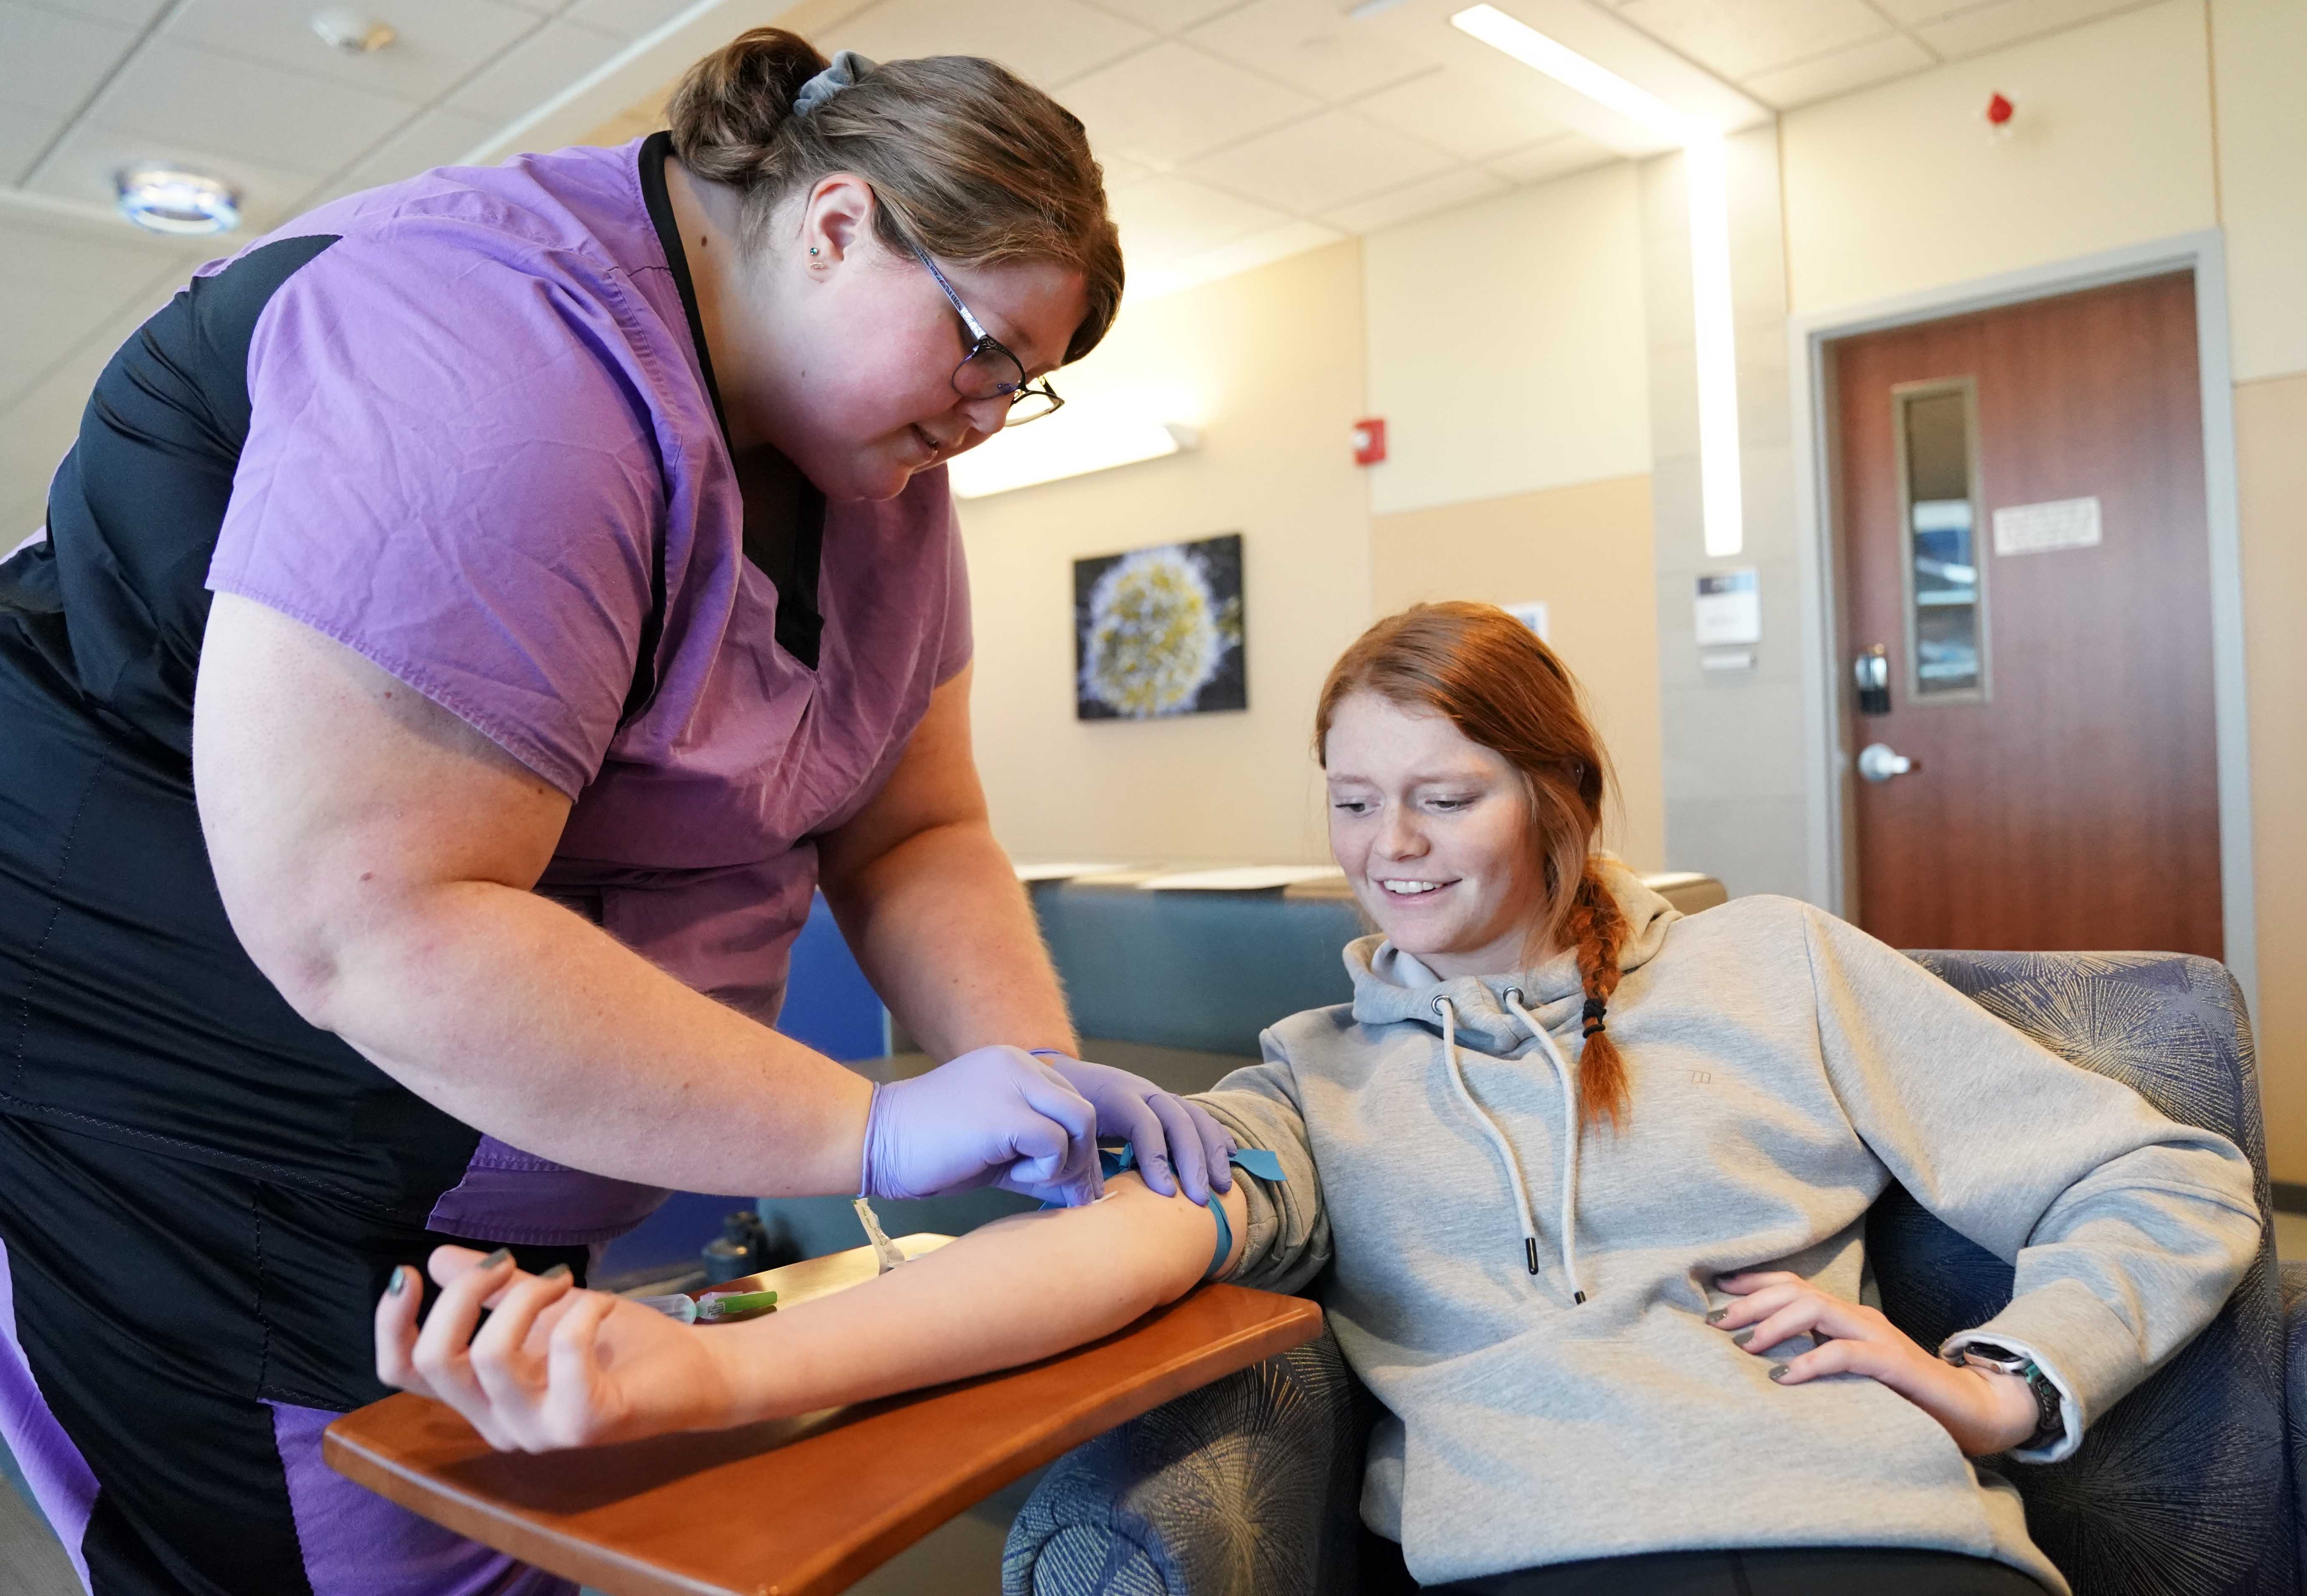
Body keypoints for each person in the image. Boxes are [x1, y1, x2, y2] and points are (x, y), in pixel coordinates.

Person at [0, 28, 1237, 1596]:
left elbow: (911, 829)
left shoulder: (879, 483)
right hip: (222, 1182)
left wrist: (1035, 1074)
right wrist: (869, 1124)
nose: (992, 414)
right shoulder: (494, 365)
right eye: (986, 349)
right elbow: (373, 922)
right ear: (839, 220)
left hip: (510, 1219)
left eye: (1031, 387)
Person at [382, 602, 2263, 1594]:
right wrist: (682, 1374)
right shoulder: (1317, 1080)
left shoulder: (1778, 965)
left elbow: (2168, 1177)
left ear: (1561, 795)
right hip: (1552, 1574)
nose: (1390, 848)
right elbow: (1104, 1256)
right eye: (1352, 801)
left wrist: (2001, 1383)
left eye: (1442, 794)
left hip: (1898, 1554)